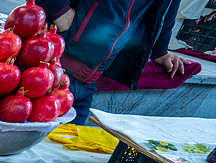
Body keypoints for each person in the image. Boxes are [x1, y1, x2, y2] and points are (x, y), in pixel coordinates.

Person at [37, 0, 192, 123]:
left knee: (64, 153)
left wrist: (160, 49)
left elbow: (167, 7)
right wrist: (58, 10)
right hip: (51, 66)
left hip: (89, 78)